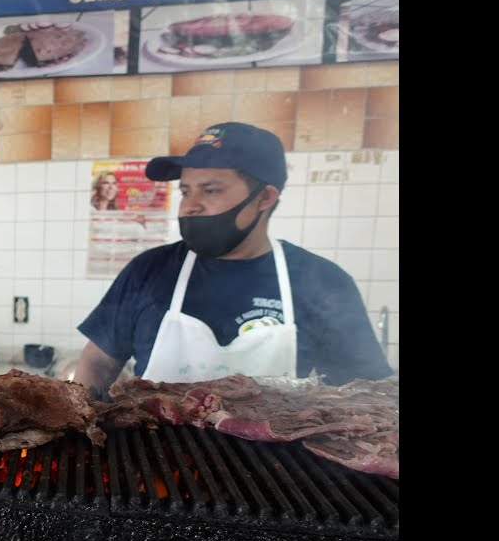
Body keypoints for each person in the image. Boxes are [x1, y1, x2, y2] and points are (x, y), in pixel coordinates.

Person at [73, 122, 392, 399]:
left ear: (265, 197)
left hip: (271, 452)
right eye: (186, 191)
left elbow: (364, 392)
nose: (190, 206)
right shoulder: (148, 270)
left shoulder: (322, 282)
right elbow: (97, 364)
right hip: (153, 448)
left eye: (210, 190)